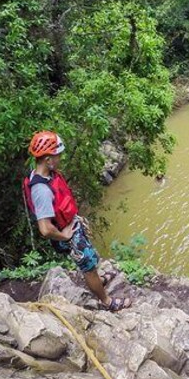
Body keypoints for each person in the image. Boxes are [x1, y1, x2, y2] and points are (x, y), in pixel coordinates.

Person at [22, 131, 132, 311]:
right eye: (58, 156)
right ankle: (106, 302)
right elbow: (45, 228)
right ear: (48, 159)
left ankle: (99, 280)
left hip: (71, 226)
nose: (60, 159)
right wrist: (65, 236)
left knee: (92, 258)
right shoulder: (40, 190)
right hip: (66, 234)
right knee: (88, 265)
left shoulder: (47, 174)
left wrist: (75, 221)